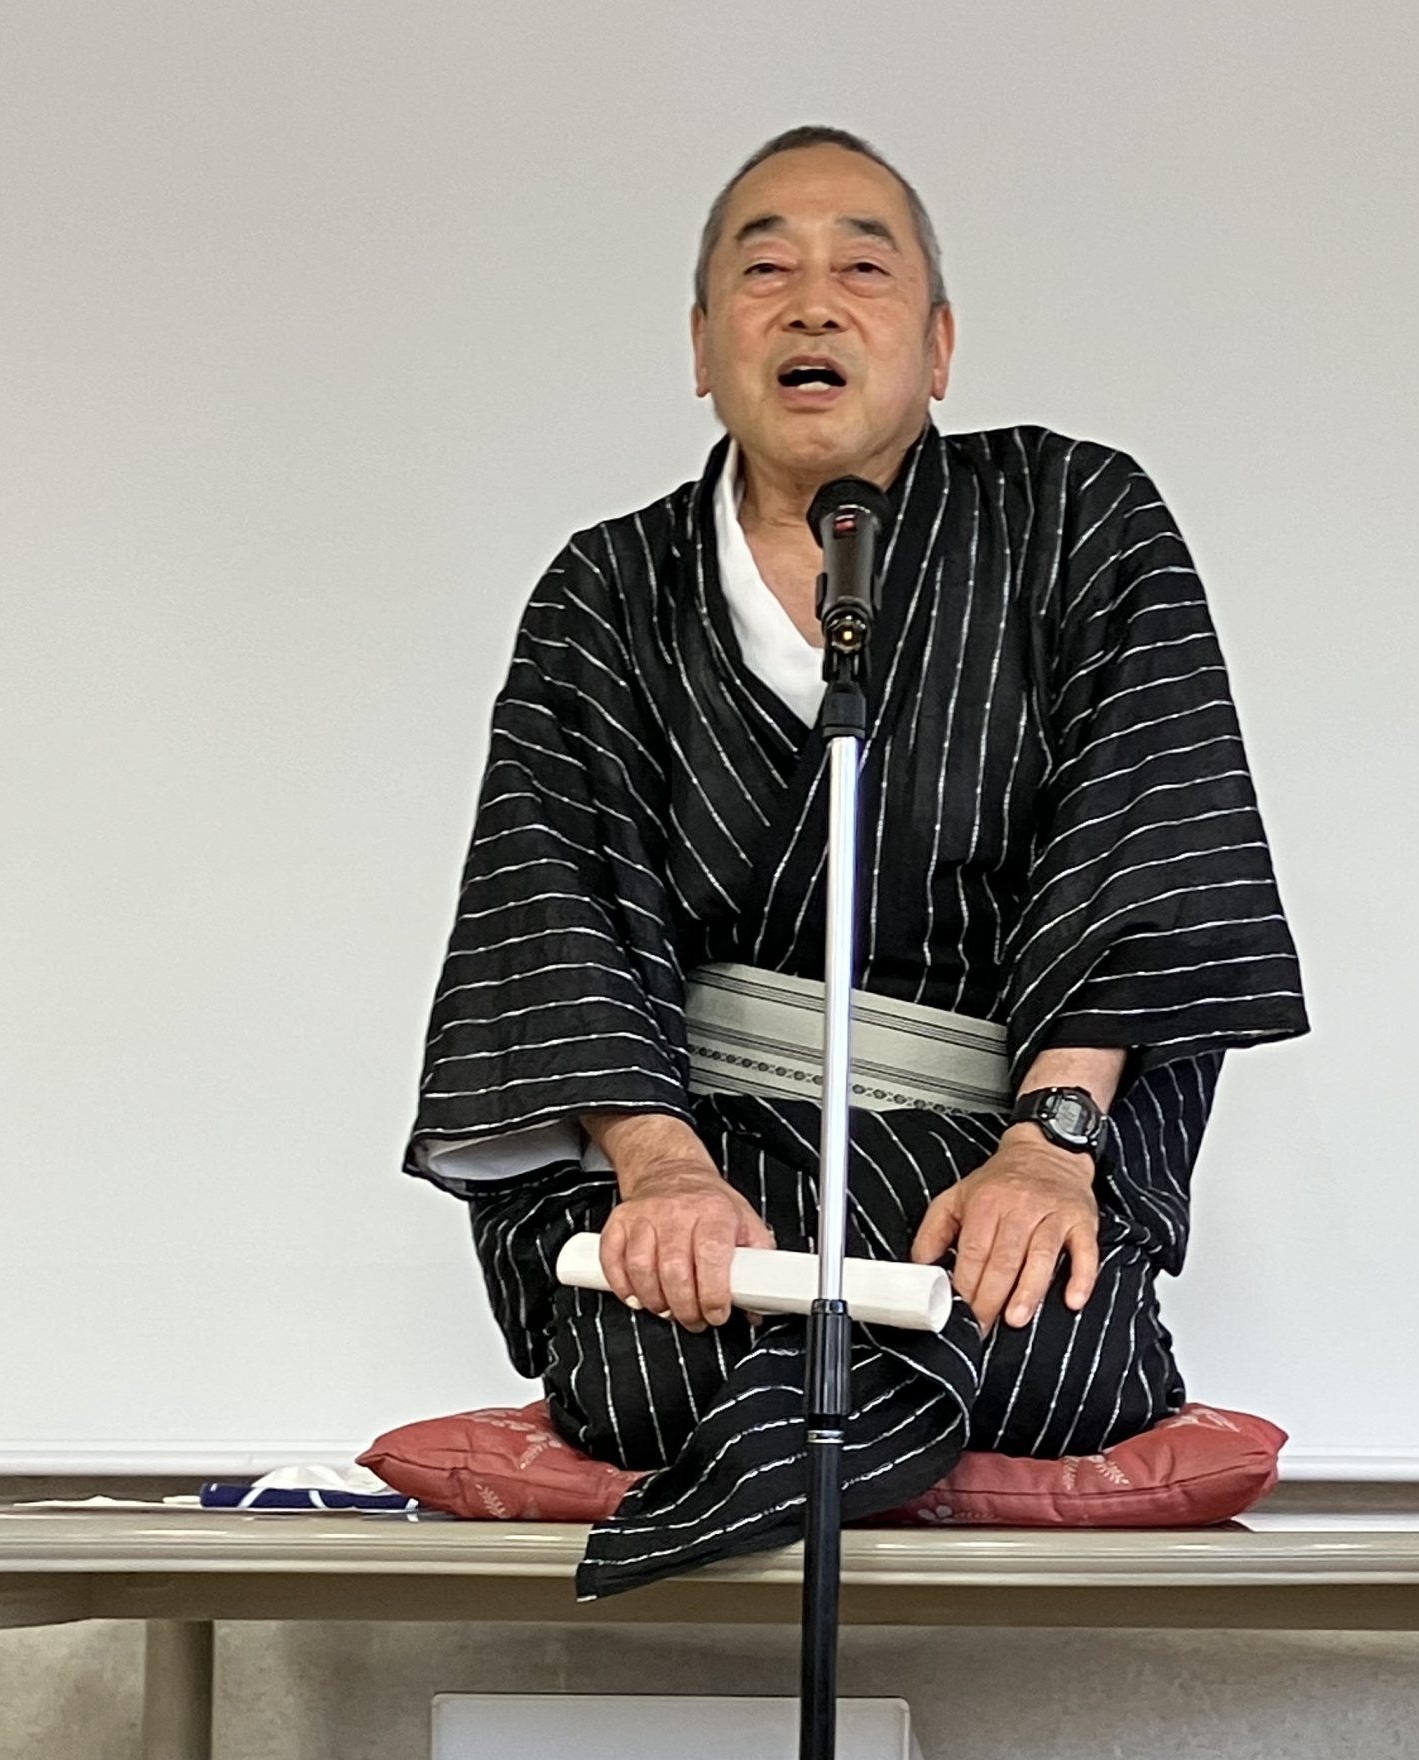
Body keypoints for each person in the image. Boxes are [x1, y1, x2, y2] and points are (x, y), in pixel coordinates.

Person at [406, 126, 1308, 1599]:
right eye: (764, 271)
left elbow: (1146, 841)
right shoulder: (605, 591)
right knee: (637, 1366)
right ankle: (818, 1406)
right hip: (709, 1154)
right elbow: (553, 909)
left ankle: (745, 1464)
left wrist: (1052, 1149)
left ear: (939, 347)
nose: (813, 303)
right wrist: (662, 1173)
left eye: (863, 270)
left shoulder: (1079, 519)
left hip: (993, 1143)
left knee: (1058, 1353)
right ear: (703, 347)